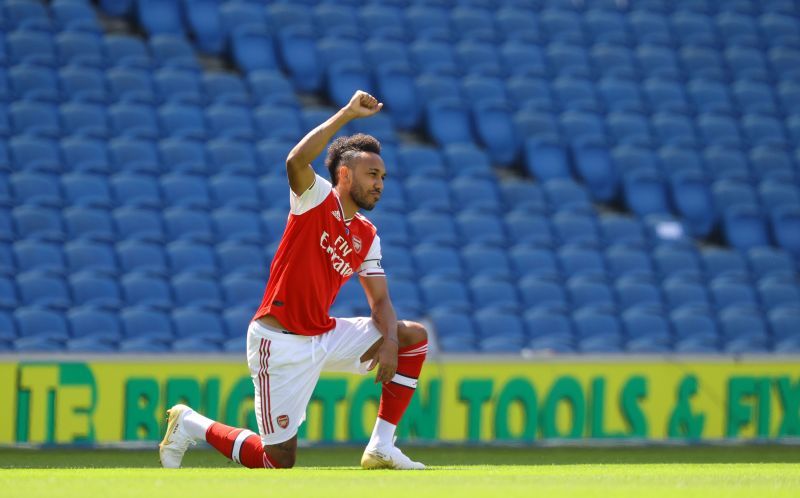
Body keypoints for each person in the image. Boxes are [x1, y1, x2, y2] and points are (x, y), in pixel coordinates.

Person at [159, 91, 428, 470]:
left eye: (383, 177)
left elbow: (380, 302)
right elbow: (296, 159)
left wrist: (390, 342)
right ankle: (189, 423)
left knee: (413, 336)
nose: (380, 184)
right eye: (372, 175)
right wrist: (347, 114)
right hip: (278, 340)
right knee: (277, 462)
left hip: (323, 334)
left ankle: (381, 446)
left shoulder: (367, 234)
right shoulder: (314, 198)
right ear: (345, 175)